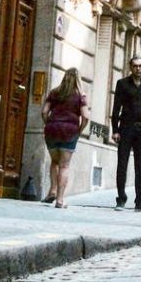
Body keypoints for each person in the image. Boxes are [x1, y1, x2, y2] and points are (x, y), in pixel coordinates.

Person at [40, 67, 90, 209]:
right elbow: (85, 116)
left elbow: (44, 111)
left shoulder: (55, 92)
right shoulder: (81, 96)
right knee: (64, 165)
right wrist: (79, 130)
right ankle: (60, 200)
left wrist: (49, 124)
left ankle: (52, 191)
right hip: (69, 131)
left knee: (54, 162)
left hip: (52, 129)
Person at [110, 54, 141, 211]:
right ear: (130, 67)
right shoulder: (122, 84)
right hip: (126, 128)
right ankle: (121, 199)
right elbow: (116, 108)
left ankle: (139, 201)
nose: (138, 68)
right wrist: (115, 130)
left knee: (140, 167)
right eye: (135, 66)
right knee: (122, 164)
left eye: (140, 66)